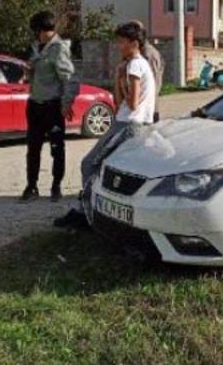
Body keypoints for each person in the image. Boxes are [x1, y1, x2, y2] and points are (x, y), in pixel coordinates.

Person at [54, 21, 156, 228]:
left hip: (129, 124)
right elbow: (120, 104)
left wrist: (123, 81)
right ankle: (99, 210)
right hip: (126, 120)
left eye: (121, 41)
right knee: (108, 168)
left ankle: (87, 213)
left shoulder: (135, 65)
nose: (118, 45)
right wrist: (119, 79)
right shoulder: (136, 65)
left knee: (89, 163)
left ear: (134, 43)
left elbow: (133, 102)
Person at [20, 11, 78, 203]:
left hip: (52, 106)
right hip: (35, 104)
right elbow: (35, 74)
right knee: (33, 148)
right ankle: (31, 186)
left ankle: (56, 186)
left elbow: (69, 79)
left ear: (43, 31)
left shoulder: (59, 48)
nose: (35, 35)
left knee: (57, 148)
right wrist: (28, 72)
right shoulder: (38, 47)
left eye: (36, 31)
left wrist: (66, 104)